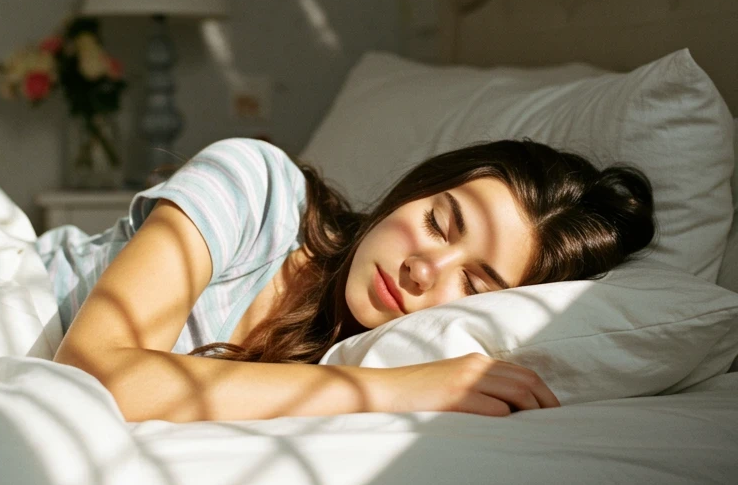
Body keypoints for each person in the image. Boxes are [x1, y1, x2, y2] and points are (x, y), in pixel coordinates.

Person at [37, 136, 655, 424]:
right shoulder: (258, 187)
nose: (424, 269)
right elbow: (93, 373)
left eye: (473, 288)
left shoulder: (378, 341)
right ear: (416, 189)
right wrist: (388, 389)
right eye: (439, 222)